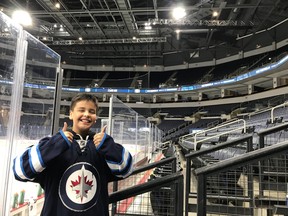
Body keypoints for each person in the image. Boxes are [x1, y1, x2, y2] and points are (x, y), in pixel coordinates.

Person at [13, 93, 133, 215]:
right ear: (71, 114)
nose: (86, 114)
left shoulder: (103, 147)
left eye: (91, 111)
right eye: (81, 110)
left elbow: (127, 169)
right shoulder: (52, 145)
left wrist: (108, 146)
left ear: (95, 117)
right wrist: (55, 144)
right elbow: (19, 171)